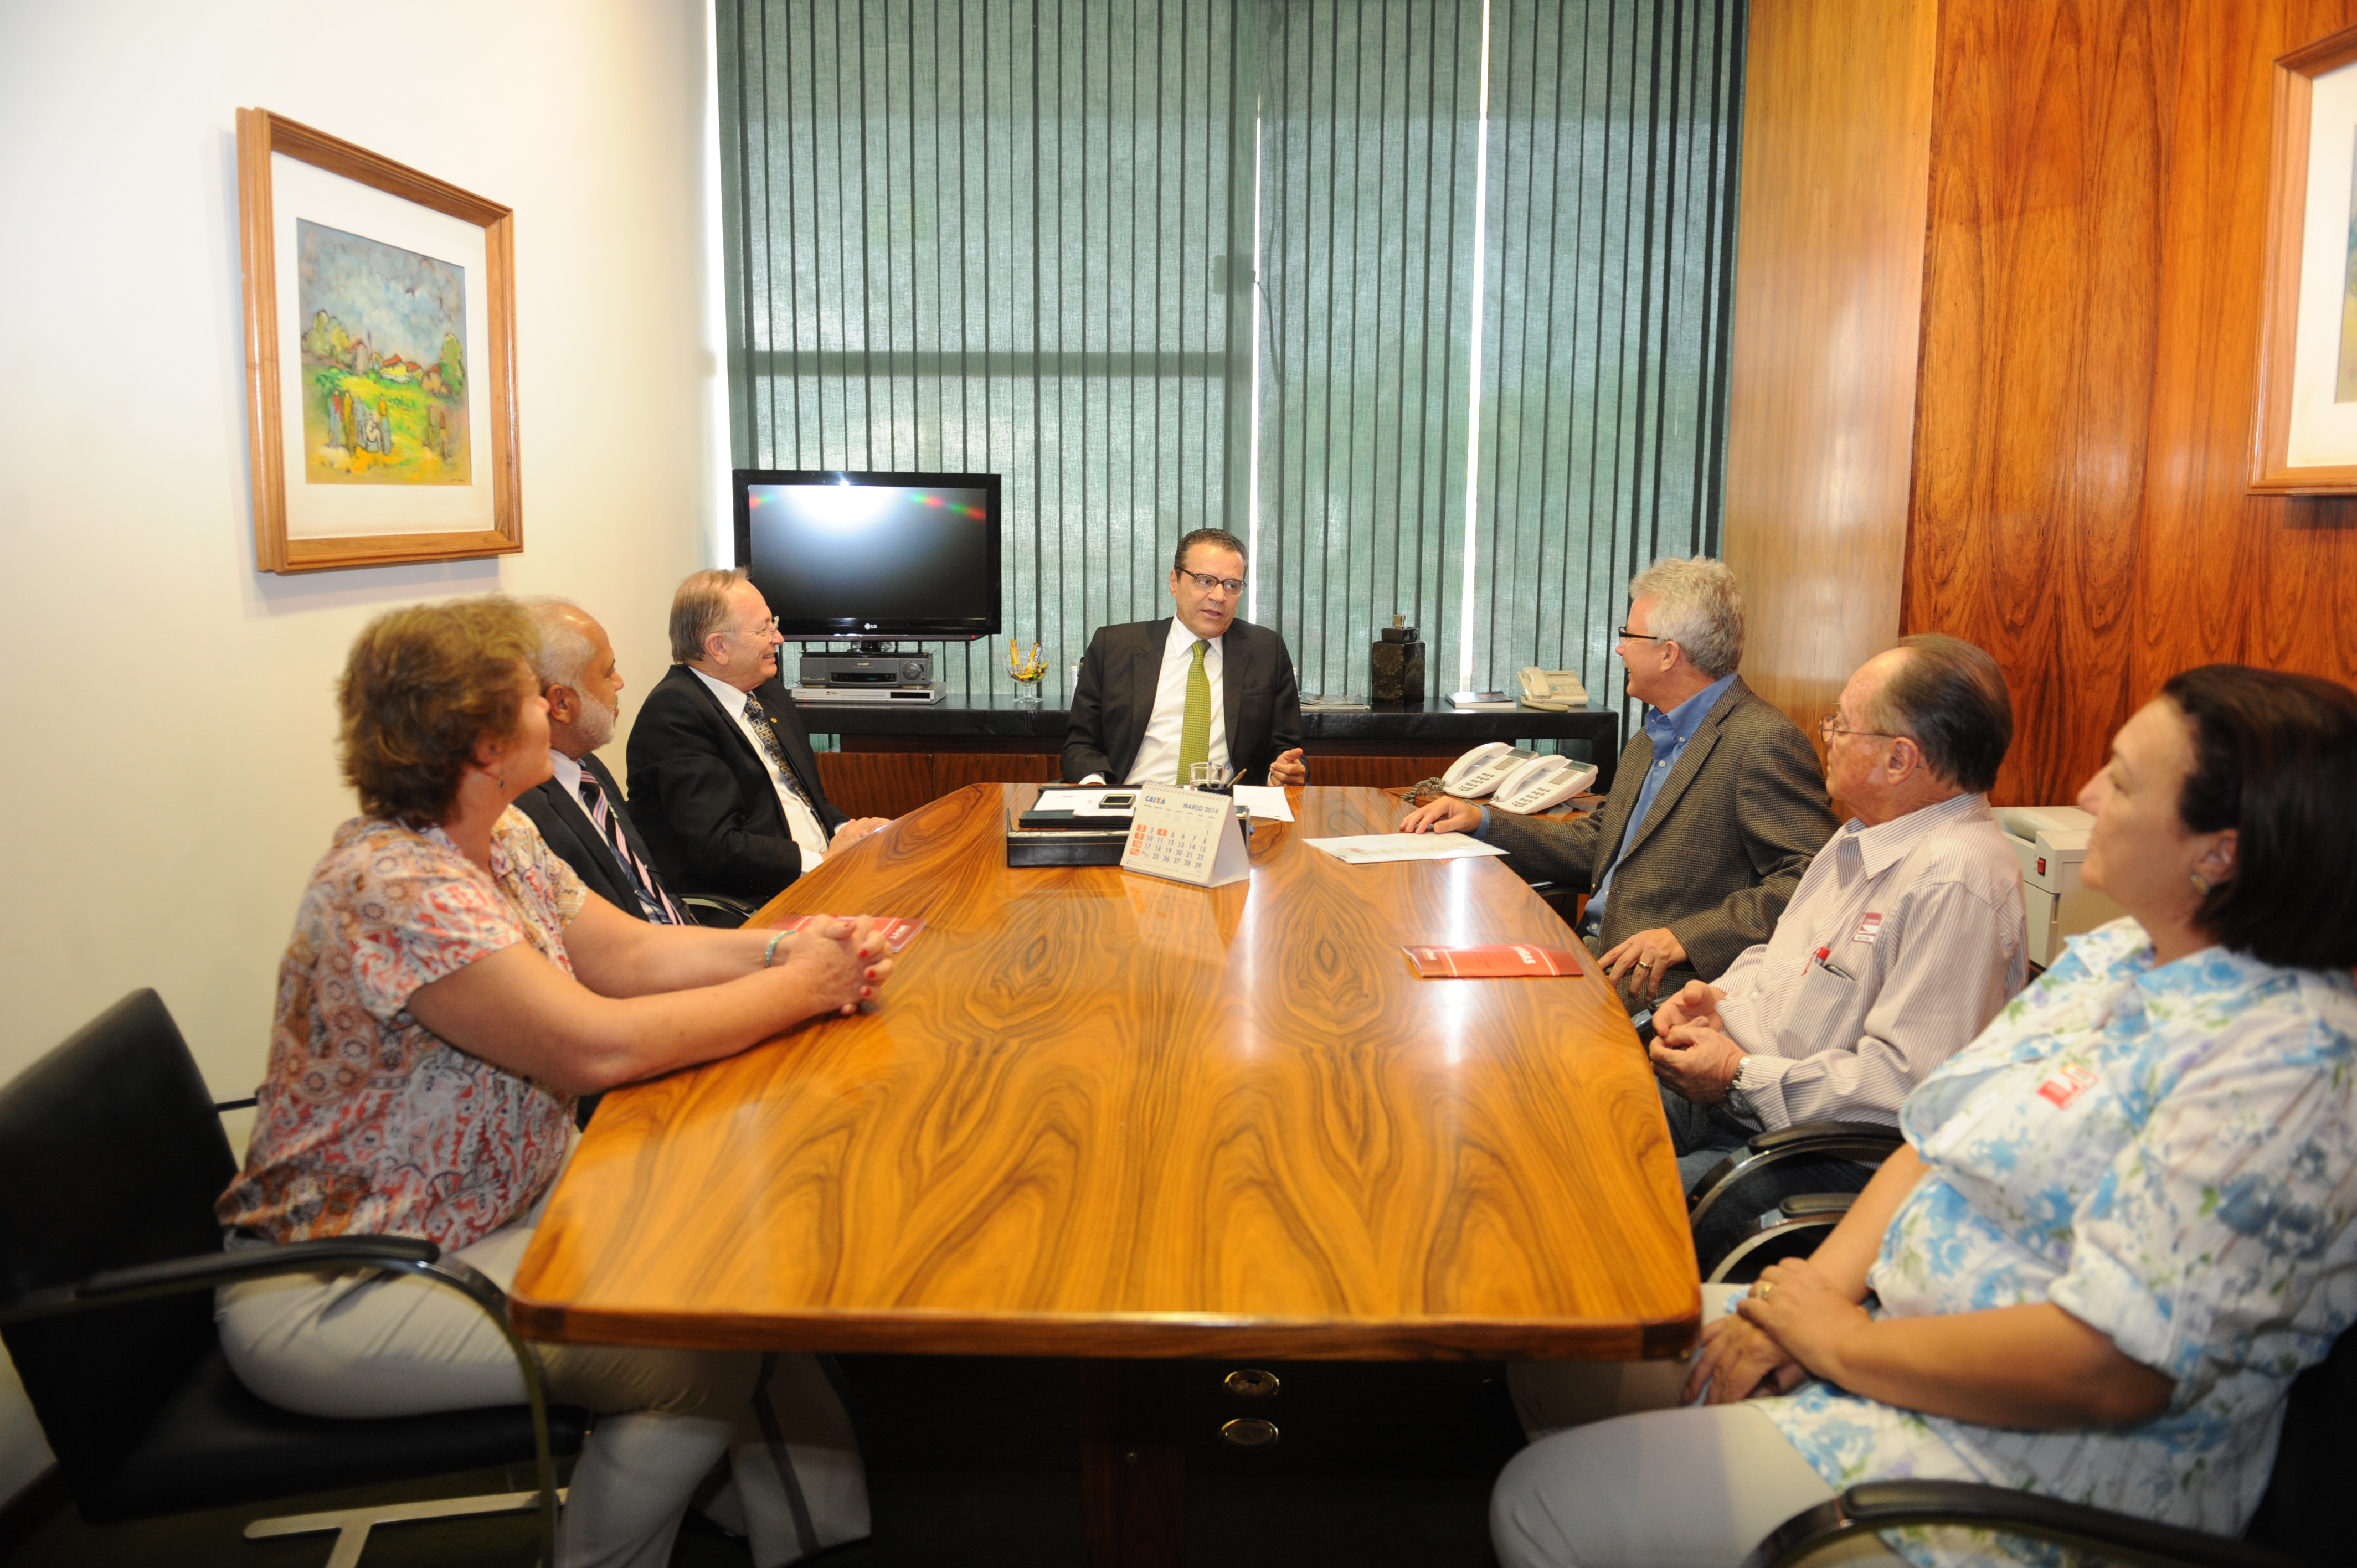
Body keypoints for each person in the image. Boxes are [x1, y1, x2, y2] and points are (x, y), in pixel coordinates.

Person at [1490, 664, 2357, 1568]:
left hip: (2014, 1462)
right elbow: (1934, 1130)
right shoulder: (2115, 960)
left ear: (2219, 852)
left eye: (2126, 780)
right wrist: (1816, 1298)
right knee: (1560, 1347)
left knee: (1540, 1504)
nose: (2087, 793)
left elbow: (2108, 1370)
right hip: (1880, 1331)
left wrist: (1841, 1341)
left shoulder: (2287, 1068)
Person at [215, 596, 897, 1568]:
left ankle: (793, 1527)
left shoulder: (502, 837)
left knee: (736, 1262)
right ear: (488, 741)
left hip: (500, 1212)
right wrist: (799, 990)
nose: (555, 705)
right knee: (692, 1357)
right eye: (532, 698)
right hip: (348, 1282)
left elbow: (630, 955)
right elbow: (596, 1048)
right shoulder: (399, 887)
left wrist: (791, 946)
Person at [1639, 635, 2025, 1262]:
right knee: (1578, 1120)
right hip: (1746, 1095)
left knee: (1617, 1206)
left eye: (1841, 725)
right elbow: (1776, 959)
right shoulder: (1858, 835)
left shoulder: (1955, 878)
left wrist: (1736, 1074)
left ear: (1899, 759)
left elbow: (1903, 1092)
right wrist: (1710, 1000)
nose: (1825, 736)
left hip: (1823, 1154)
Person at [1401, 557, 1837, 1008]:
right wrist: (1483, 821)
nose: (1620, 650)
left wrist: (1684, 938)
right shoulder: (1655, 733)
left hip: (1655, 992)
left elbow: (1815, 883)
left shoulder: (1762, 741)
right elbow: (1598, 844)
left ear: (1669, 653)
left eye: (1629, 636)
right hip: (1586, 959)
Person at [627, 569, 889, 911]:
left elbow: (804, 799)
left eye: (773, 623)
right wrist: (823, 861)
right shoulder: (675, 715)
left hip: (821, 876)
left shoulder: (767, 692)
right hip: (756, 903)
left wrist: (851, 831)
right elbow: (719, 849)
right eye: (763, 629)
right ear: (718, 647)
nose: (778, 638)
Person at [1063, 527, 1309, 789]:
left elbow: (1285, 749)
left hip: (1227, 808)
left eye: (1232, 585)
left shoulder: (1265, 650)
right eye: (1205, 580)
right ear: (1174, 582)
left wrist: (1284, 771)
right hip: (1134, 802)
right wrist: (1095, 791)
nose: (1219, 596)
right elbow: (1081, 744)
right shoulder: (1114, 646)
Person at [514, 598, 689, 926]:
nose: (620, 682)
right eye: (608, 674)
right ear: (561, 703)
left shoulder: (588, 767)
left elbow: (652, 886)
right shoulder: (520, 811)